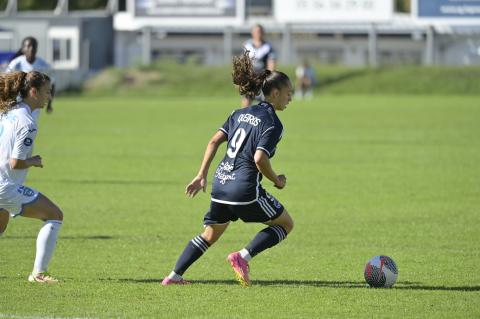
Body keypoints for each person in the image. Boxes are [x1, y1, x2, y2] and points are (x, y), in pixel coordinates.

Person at [162, 51, 294, 287]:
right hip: (244, 190)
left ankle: (174, 276)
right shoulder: (273, 123)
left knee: (209, 234)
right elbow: (259, 158)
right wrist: (277, 180)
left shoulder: (238, 113)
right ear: (275, 93)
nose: (290, 98)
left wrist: (201, 175)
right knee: (285, 224)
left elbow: (213, 142)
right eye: (288, 93)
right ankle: (242, 257)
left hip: (220, 184)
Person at [0, 71, 63, 284]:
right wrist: (33, 161)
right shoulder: (27, 123)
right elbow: (15, 162)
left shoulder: (9, 111)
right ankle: (39, 274)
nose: (49, 97)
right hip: (4, 186)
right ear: (33, 92)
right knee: (54, 214)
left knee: (1, 222)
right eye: (46, 92)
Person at [6, 37, 55, 116]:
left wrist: (50, 103)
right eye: (28, 46)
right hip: (17, 101)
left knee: (30, 125)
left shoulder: (44, 65)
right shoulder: (15, 64)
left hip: (34, 102)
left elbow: (52, 84)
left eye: (34, 46)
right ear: (23, 49)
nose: (31, 49)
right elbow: (6, 82)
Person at [241, 24, 276, 107]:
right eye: (256, 31)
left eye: (260, 31)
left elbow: (271, 64)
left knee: (266, 103)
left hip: (263, 80)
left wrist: (268, 79)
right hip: (250, 80)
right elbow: (242, 63)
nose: (258, 33)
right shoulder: (247, 46)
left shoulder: (268, 47)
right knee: (246, 102)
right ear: (252, 33)